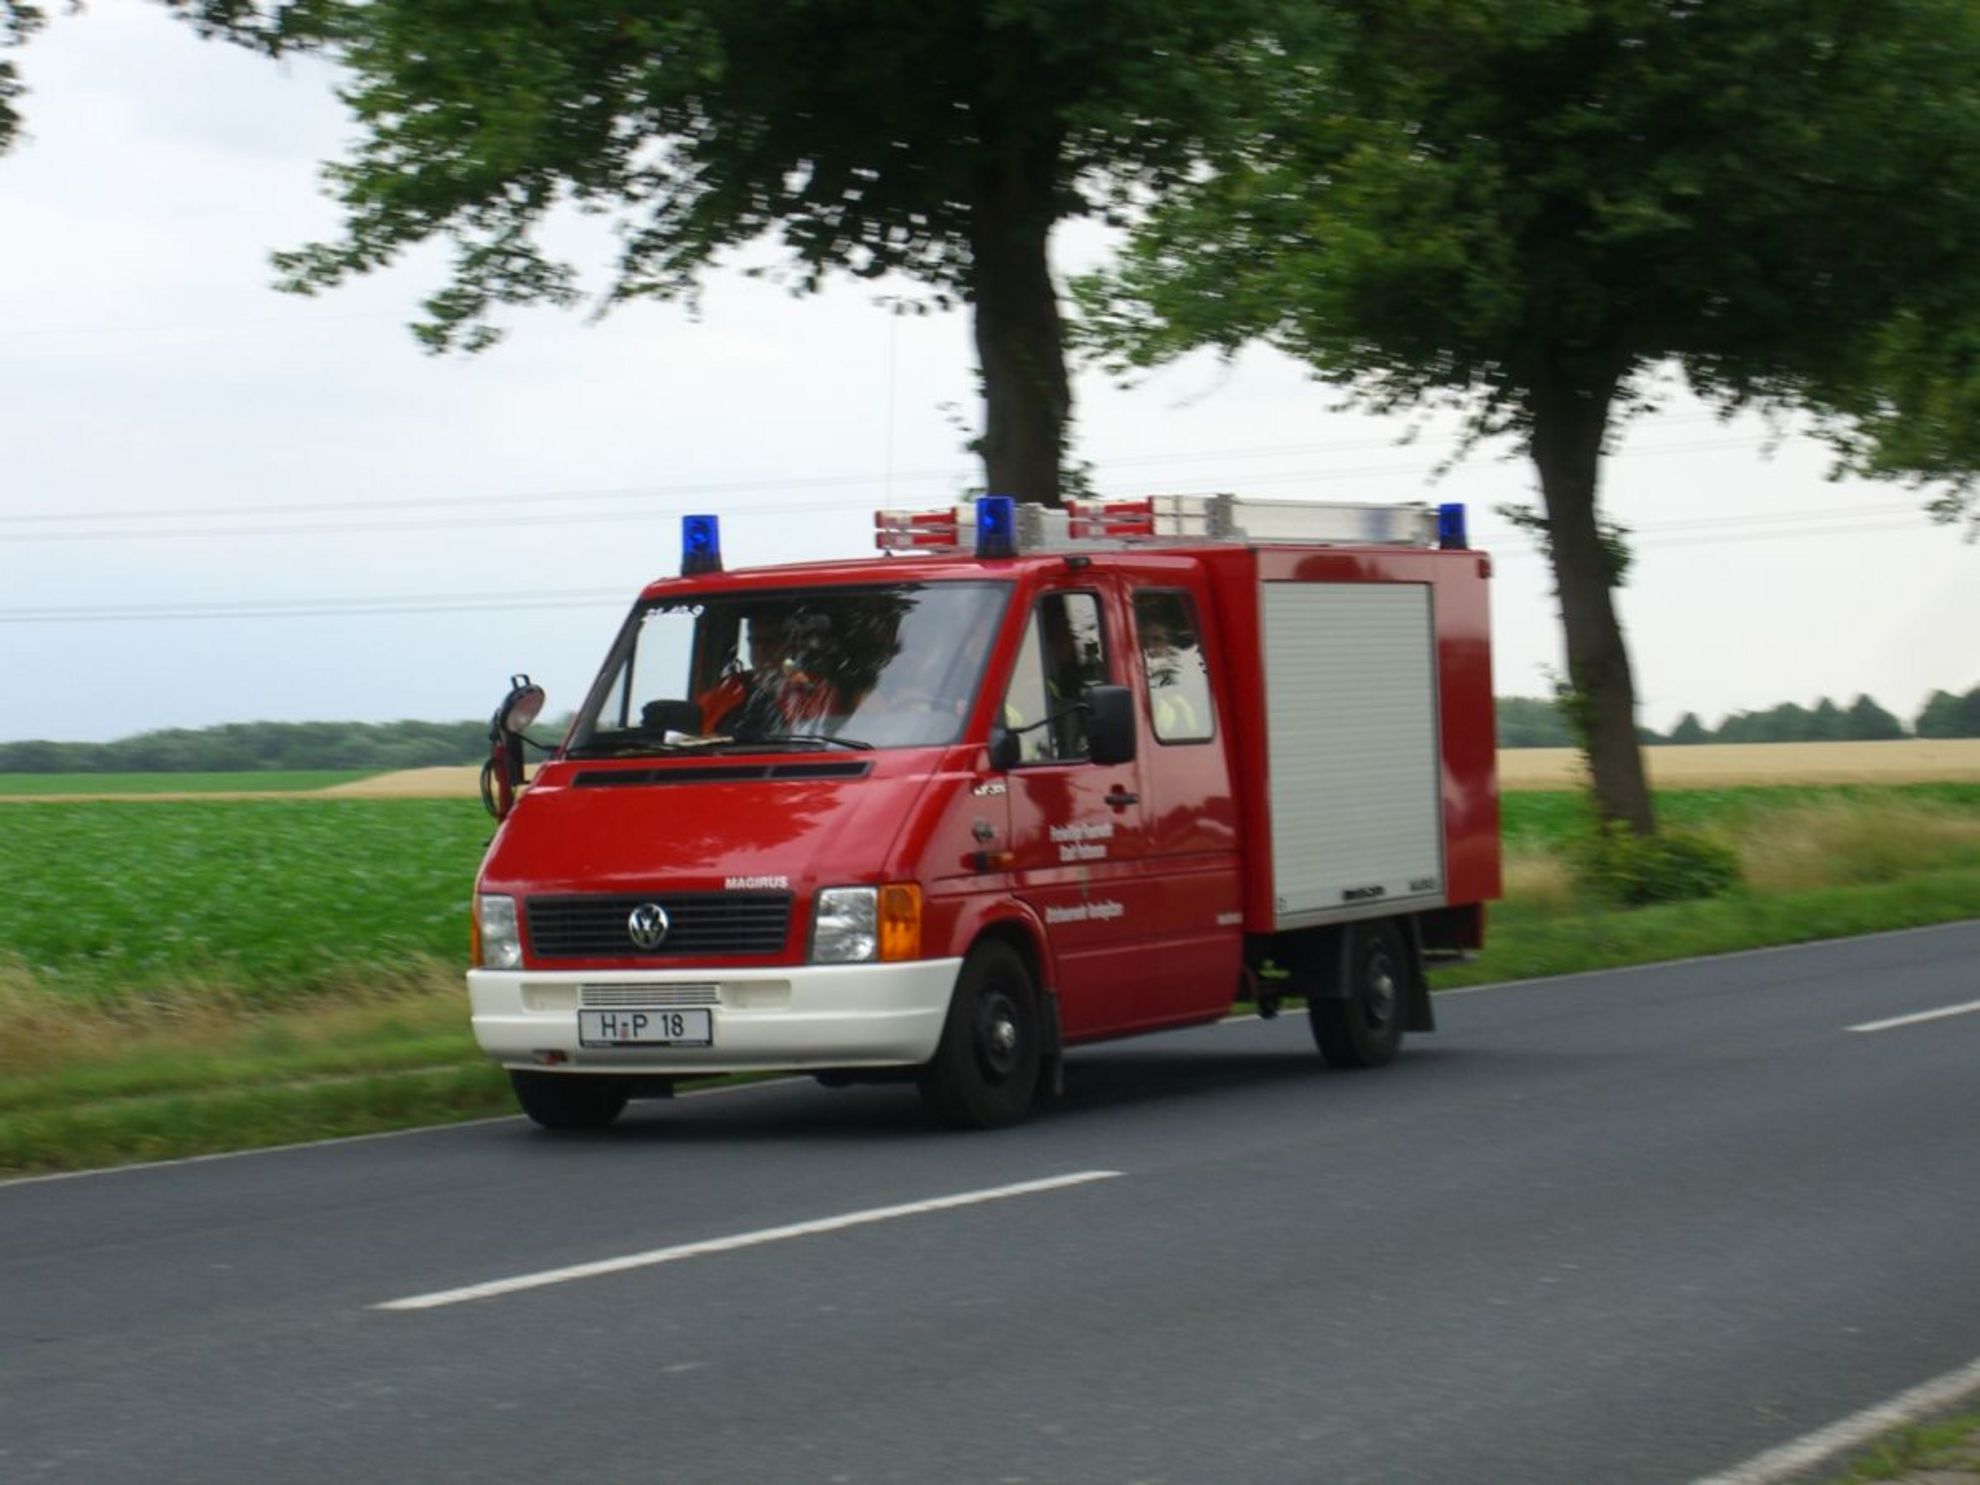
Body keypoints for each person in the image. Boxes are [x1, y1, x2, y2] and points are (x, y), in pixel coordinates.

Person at [697, 604, 835, 735]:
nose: (761, 649)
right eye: (755, 641)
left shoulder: (817, 692)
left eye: (769, 641)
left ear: (788, 644)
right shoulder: (725, 692)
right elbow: (698, 737)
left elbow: (829, 737)